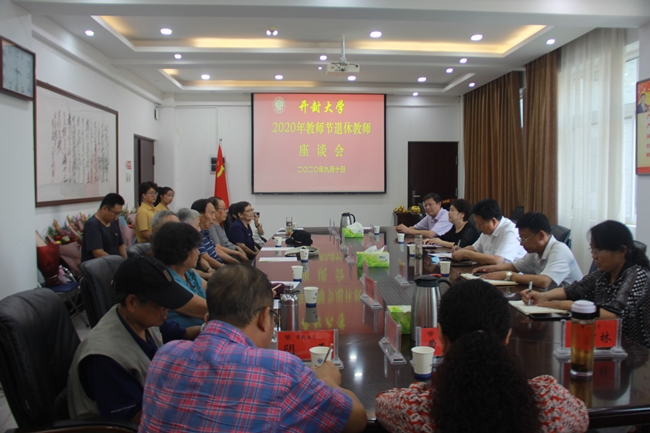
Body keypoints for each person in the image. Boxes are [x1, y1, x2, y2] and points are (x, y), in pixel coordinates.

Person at [139, 265, 368, 433]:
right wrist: (327, 380)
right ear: (262, 318)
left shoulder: (165, 356)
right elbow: (357, 419)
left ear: (207, 318)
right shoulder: (279, 368)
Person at [376, 279, 589, 433]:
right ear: (507, 336)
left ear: (441, 336)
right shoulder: (551, 403)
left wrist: (420, 390)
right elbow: (582, 415)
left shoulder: (417, 409)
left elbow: (381, 403)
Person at [67, 256, 201, 422]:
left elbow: (185, 334)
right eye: (161, 301)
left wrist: (210, 326)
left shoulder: (144, 320)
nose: (167, 307)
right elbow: (135, 418)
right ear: (132, 302)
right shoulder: (105, 357)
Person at [522, 220, 650, 348]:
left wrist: (565, 305)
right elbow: (574, 289)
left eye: (599, 250)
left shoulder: (638, 274)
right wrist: (542, 296)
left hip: (635, 349)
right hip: (605, 340)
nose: (594, 256)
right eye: (592, 250)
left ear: (622, 251)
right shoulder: (604, 273)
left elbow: (614, 315)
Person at [473, 212, 583, 288]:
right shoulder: (535, 252)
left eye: (524, 238)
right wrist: (489, 269)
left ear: (541, 235)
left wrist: (508, 275)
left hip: (571, 306)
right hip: (547, 299)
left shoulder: (559, 250)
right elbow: (514, 266)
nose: (521, 243)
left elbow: (544, 281)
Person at [152, 222, 208, 328]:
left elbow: (213, 290)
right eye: (195, 248)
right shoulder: (166, 281)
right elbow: (210, 309)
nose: (198, 253)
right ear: (182, 251)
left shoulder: (187, 272)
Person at [452, 198, 526, 265]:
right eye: (476, 223)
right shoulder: (487, 231)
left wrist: (466, 253)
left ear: (493, 221)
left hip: (510, 274)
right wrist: (460, 251)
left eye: (480, 224)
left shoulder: (510, 231)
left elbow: (498, 260)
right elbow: (474, 248)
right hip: (490, 270)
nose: (477, 227)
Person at [81, 193, 127, 262]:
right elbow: (98, 253)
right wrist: (117, 262)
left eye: (119, 213)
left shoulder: (113, 222)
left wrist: (126, 262)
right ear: (104, 209)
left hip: (114, 262)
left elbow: (121, 246)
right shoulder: (92, 225)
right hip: (99, 265)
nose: (117, 216)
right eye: (115, 213)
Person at [207, 197, 248, 262]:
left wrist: (237, 248)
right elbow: (218, 247)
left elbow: (226, 242)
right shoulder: (211, 227)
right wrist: (237, 253)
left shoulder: (220, 224)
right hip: (228, 259)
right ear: (214, 211)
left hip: (234, 254)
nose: (226, 211)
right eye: (223, 209)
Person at [190, 198, 225, 269]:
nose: (214, 217)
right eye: (211, 213)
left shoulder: (205, 231)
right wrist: (225, 269)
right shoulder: (195, 235)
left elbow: (216, 249)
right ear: (200, 215)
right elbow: (205, 257)